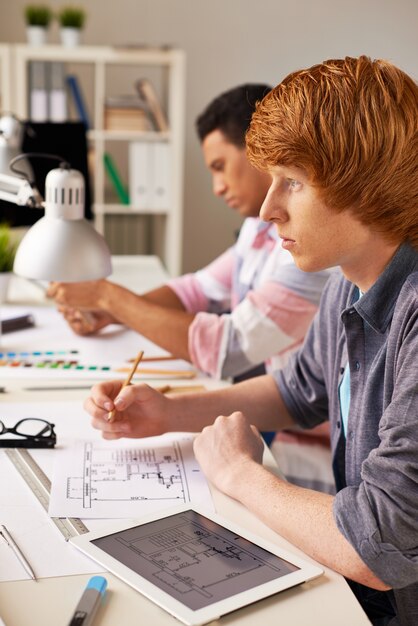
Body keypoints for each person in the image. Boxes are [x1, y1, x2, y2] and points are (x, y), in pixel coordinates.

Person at [83, 56, 418, 625]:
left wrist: (240, 473)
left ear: (362, 182)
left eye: (293, 182)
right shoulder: (348, 284)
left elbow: (377, 543)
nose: (268, 210)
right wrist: (168, 412)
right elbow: (297, 390)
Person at [47, 84, 332, 381]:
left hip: (294, 421)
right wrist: (110, 312)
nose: (217, 187)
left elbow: (231, 349)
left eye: (220, 167)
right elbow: (198, 290)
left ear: (259, 152)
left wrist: (108, 297)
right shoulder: (257, 228)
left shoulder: (311, 247)